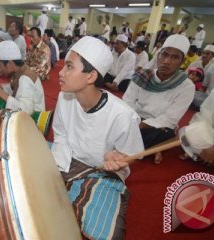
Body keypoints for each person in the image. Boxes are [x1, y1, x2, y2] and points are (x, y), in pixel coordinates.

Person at [51, 36, 144, 239]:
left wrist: (118, 158)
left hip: (102, 172)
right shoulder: (64, 97)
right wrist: (60, 161)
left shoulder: (122, 115)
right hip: (69, 157)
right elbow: (60, 133)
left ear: (91, 76)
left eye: (69, 67)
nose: (60, 72)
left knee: (107, 233)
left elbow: (133, 154)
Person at [123, 34, 195, 164]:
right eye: (164, 54)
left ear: (182, 62)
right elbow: (127, 101)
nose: (167, 61)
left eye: (175, 57)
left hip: (158, 126)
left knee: (155, 133)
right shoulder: (142, 75)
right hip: (134, 119)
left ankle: (132, 145)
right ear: (158, 55)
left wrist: (140, 126)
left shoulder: (187, 87)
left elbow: (169, 118)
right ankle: (154, 148)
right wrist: (133, 122)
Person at [179, 85, 214, 177]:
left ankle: (209, 159)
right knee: (186, 133)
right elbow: (204, 118)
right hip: (212, 135)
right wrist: (208, 144)